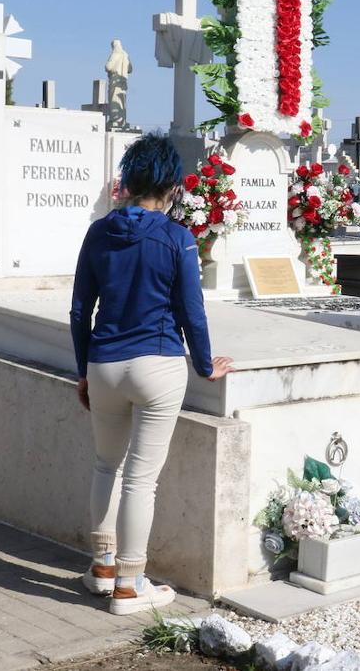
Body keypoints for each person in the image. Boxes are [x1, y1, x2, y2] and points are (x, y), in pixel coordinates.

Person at [70, 133, 232, 615]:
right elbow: (192, 312)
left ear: (130, 179)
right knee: (141, 480)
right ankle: (129, 583)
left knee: (105, 465)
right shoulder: (177, 237)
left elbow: (81, 310)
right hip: (157, 363)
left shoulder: (99, 232)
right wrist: (205, 365)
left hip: (104, 363)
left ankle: (101, 567)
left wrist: (84, 372)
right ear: (169, 185)